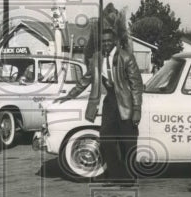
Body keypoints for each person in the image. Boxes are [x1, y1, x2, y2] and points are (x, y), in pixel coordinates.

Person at [59, 13, 144, 185]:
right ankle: (116, 176)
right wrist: (70, 95)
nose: (105, 44)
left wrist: (137, 110)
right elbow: (86, 79)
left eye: (108, 41)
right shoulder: (97, 57)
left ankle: (130, 179)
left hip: (126, 102)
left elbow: (136, 85)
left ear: (114, 41)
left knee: (128, 143)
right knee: (107, 140)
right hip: (110, 102)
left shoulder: (126, 57)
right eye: (103, 41)